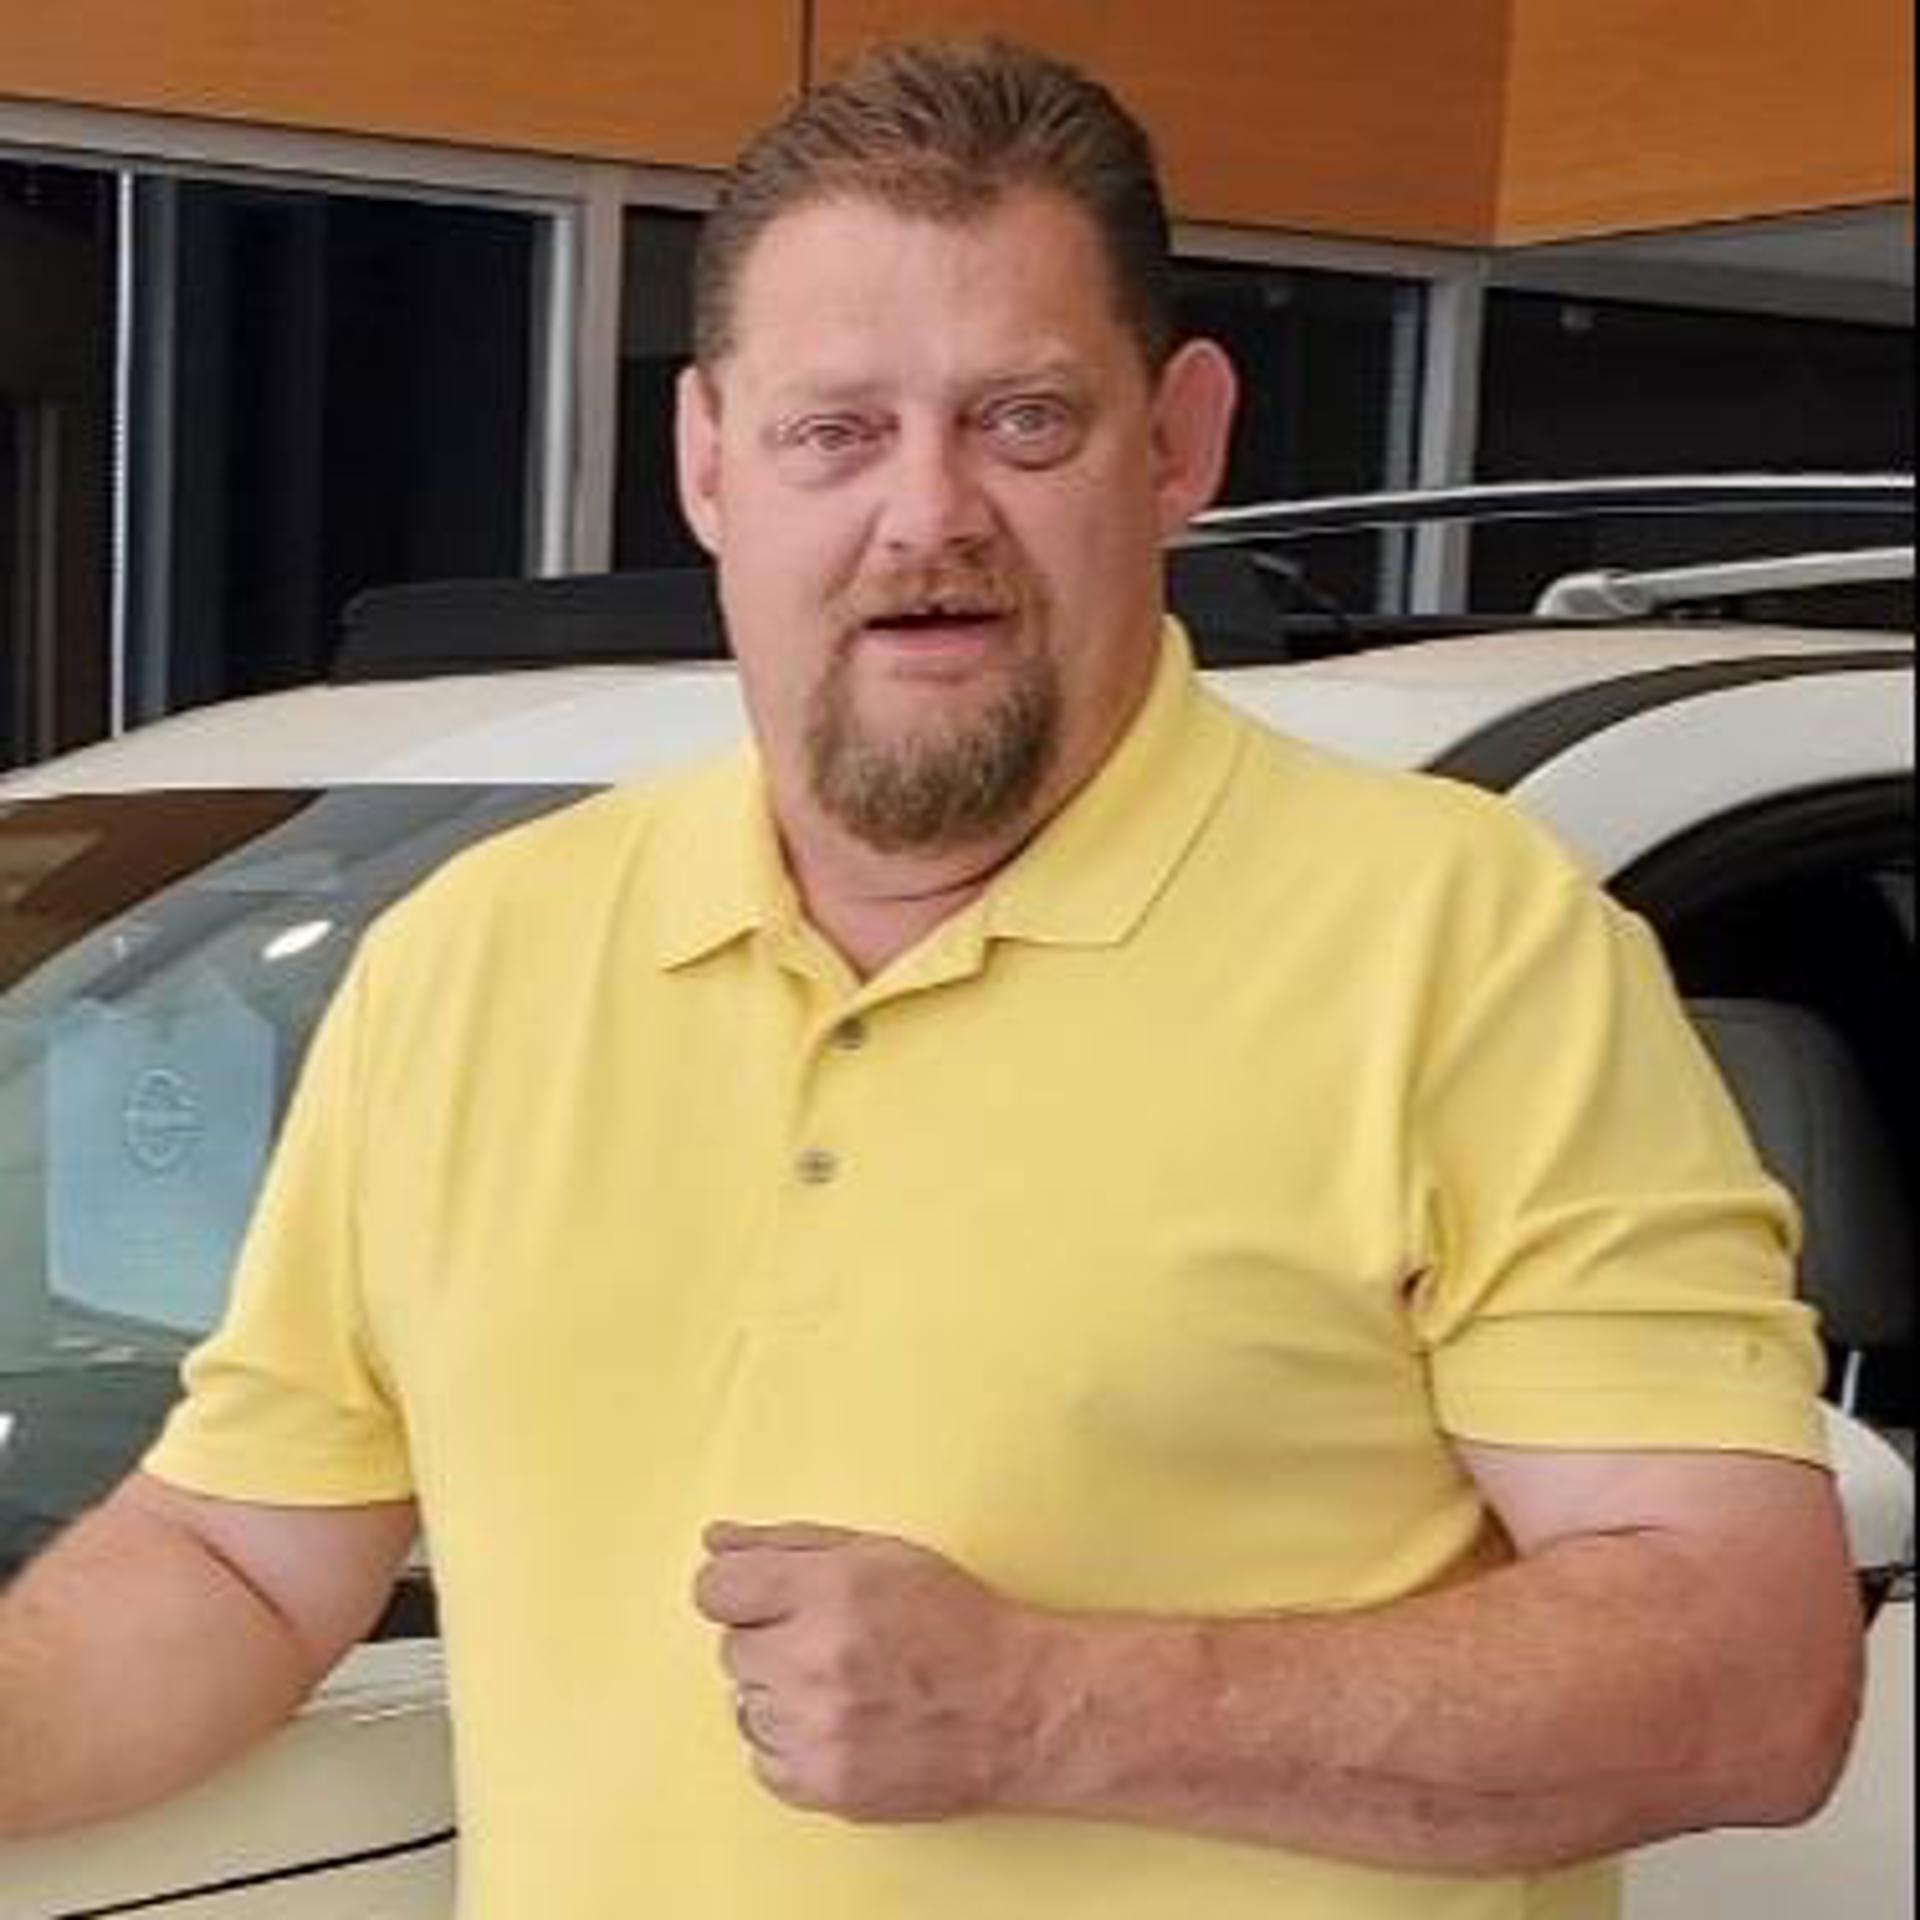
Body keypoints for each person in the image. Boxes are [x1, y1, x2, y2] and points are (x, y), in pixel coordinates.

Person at [0, 37, 1862, 1920]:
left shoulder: (1465, 943)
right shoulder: (473, 963)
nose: (927, 515)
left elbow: (1750, 1675)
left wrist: (1053, 1710)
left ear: (1180, 440)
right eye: (836, 431)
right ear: (708, 459)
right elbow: (240, 1563)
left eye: (1023, 421)